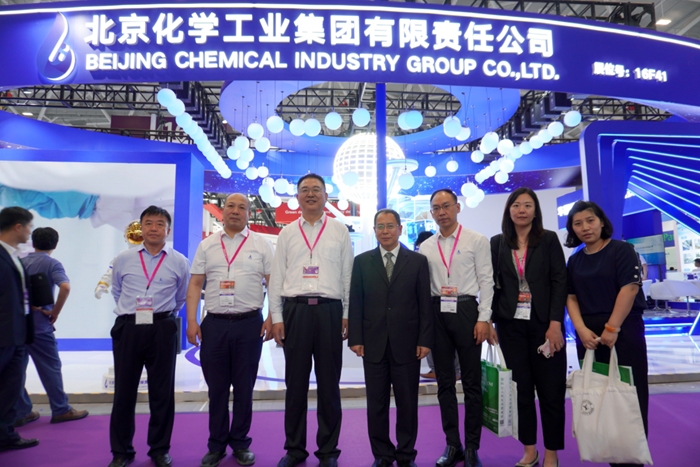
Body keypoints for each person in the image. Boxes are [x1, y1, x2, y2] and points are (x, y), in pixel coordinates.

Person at [269, 173, 354, 467]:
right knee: (295, 385)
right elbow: (277, 277)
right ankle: (294, 449)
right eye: (304, 190)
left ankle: (328, 451)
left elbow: (347, 275)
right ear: (297, 197)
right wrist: (277, 316)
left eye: (316, 189)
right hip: (296, 311)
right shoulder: (287, 233)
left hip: (330, 311)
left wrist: (346, 313)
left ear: (326, 196)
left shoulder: (339, 230)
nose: (310, 194)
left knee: (329, 385)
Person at [186, 194, 274, 467]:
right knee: (217, 390)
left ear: (249, 213)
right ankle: (216, 445)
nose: (235, 211)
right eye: (231, 206)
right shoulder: (207, 245)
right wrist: (191, 321)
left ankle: (240, 443)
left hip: (250, 324)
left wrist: (273, 316)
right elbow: (195, 284)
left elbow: (273, 283)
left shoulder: (261, 244)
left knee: (244, 388)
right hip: (214, 325)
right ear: (223, 212)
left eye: (242, 207)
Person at [565, 200, 649, 467]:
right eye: (578, 223)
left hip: (624, 331)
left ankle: (632, 457)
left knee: (629, 393)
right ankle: (609, 452)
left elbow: (630, 288)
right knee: (598, 393)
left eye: (590, 220)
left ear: (601, 222)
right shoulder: (575, 260)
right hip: (589, 337)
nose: (585, 227)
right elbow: (570, 297)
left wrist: (612, 328)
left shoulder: (622, 250)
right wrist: (580, 330)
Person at [348, 209, 433, 467]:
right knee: (376, 404)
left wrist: (425, 339)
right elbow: (356, 301)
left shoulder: (417, 261)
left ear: (399, 229)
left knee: (408, 403)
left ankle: (406, 454)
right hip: (372, 343)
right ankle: (382, 454)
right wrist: (355, 337)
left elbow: (425, 303)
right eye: (380, 226)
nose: (385, 231)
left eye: (390, 226)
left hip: (408, 344)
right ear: (374, 230)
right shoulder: (362, 261)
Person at [489, 188, 567, 467]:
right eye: (516, 205)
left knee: (551, 391)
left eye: (527, 205)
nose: (521, 210)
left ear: (535, 211)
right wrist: (489, 320)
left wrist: (556, 323)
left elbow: (560, 281)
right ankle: (529, 450)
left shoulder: (548, 239)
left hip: (545, 325)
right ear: (508, 210)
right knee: (520, 390)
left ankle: (551, 453)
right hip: (510, 326)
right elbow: (491, 284)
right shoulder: (497, 242)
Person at [108, 206, 190, 467]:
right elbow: (117, 290)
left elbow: (181, 296)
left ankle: (159, 449)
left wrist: (162, 316)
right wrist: (134, 314)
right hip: (128, 328)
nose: (154, 228)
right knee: (124, 392)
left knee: (162, 393)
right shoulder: (123, 258)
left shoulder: (179, 261)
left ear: (168, 229)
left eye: (160, 223)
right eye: (149, 223)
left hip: (162, 328)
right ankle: (121, 452)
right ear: (140, 227)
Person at [419, 189, 493, 467]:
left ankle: (472, 446)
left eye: (446, 206)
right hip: (437, 311)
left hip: (466, 311)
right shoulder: (426, 247)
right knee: (444, 383)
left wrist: (484, 318)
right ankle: (453, 445)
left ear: (457, 207)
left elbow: (487, 281)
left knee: (472, 382)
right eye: (436, 208)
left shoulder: (476, 240)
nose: (441, 212)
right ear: (431, 212)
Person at [14, 227, 88, 427]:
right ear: (55, 244)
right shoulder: (52, 263)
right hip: (40, 326)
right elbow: (65, 286)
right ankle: (61, 409)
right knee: (50, 368)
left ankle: (21, 411)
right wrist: (55, 311)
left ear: (33, 242)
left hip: (18, 326)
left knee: (17, 371)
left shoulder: (19, 262)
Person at [0, 207, 39, 453]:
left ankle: (5, 435)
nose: (30, 232)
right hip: (3, 335)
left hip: (17, 334)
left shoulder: (14, 255)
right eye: (29, 227)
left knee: (10, 389)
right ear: (18, 226)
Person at [95, 221, 144, 299]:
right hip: (129, 296)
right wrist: (102, 285)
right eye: (133, 235)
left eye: (140, 236)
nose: (136, 237)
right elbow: (111, 273)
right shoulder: (122, 258)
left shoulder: (156, 257)